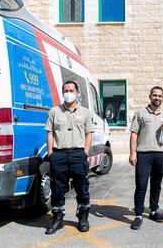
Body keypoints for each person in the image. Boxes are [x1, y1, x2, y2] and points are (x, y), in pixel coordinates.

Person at [45, 80, 94, 235]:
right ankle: (57, 218)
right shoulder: (54, 111)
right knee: (57, 189)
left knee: (82, 188)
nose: (69, 93)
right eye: (66, 90)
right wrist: (50, 153)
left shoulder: (85, 112)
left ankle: (83, 217)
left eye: (72, 90)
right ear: (62, 93)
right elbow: (50, 132)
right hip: (58, 155)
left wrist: (85, 152)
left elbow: (89, 133)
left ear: (77, 93)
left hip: (78, 154)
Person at [129, 86, 163, 230]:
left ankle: (154, 211)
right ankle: (138, 215)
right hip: (143, 154)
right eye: (154, 95)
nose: (157, 98)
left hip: (160, 154)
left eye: (160, 96)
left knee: (156, 185)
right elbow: (134, 134)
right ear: (150, 96)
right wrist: (132, 153)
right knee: (141, 186)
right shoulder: (140, 113)